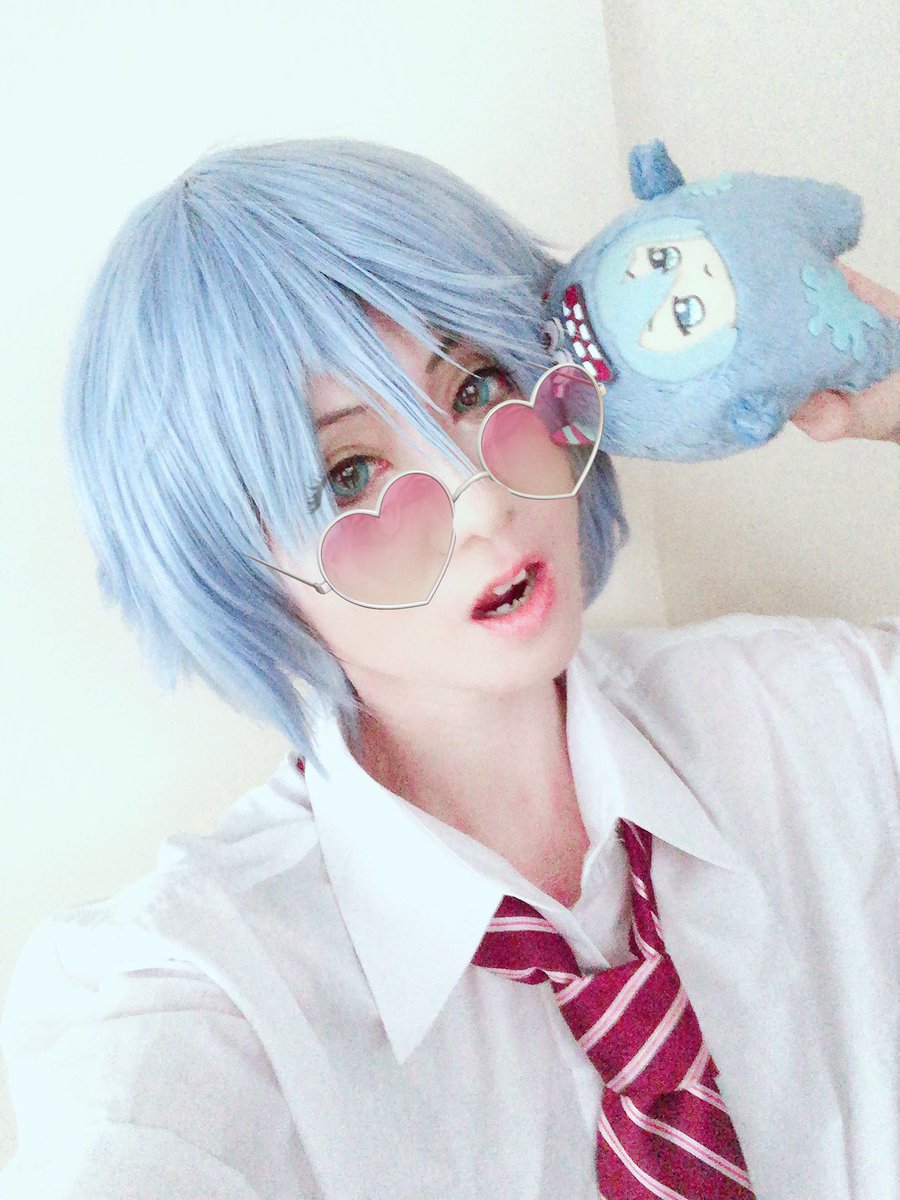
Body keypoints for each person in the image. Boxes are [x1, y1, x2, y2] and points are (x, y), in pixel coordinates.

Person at [0, 138, 896, 1200]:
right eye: (350, 475)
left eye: (476, 385)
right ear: (236, 565)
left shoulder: (820, 713)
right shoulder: (200, 988)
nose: (481, 501)